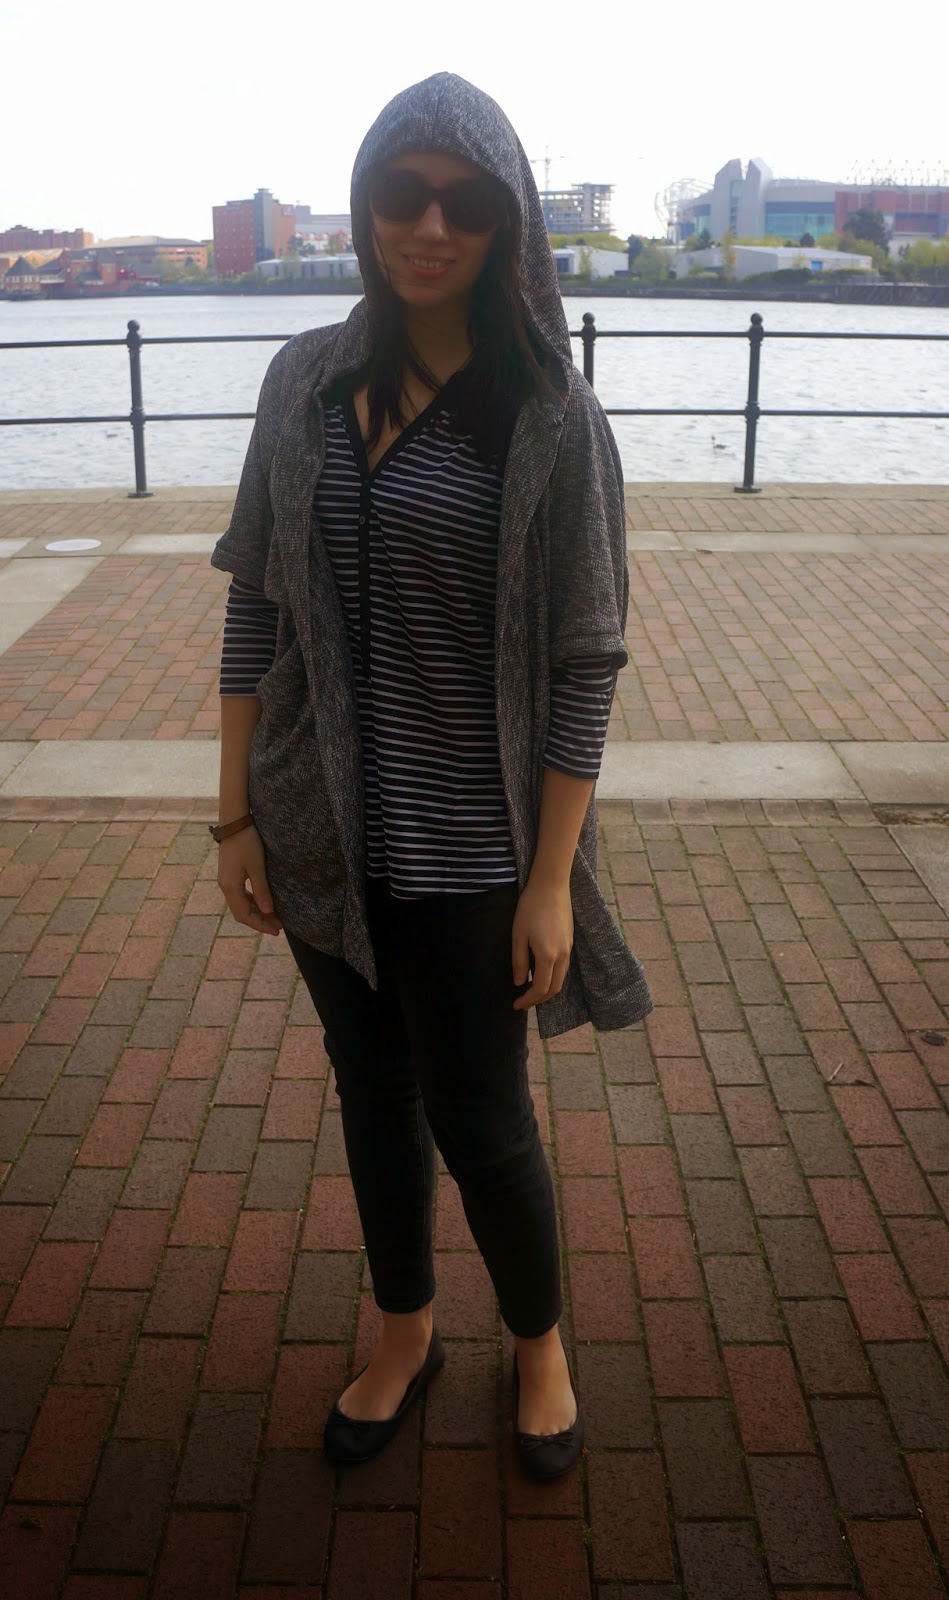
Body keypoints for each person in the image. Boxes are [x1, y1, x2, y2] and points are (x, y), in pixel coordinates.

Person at [209, 71, 651, 1480]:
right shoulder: (305, 380)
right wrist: (234, 814)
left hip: (474, 849)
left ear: (507, 225)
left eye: (465, 204)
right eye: (403, 195)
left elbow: (585, 660)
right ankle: (404, 1331)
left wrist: (551, 882)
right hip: (322, 830)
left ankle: (540, 1344)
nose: (430, 227)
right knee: (372, 1096)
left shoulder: (551, 414)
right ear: (366, 209)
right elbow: (255, 602)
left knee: (483, 1117)